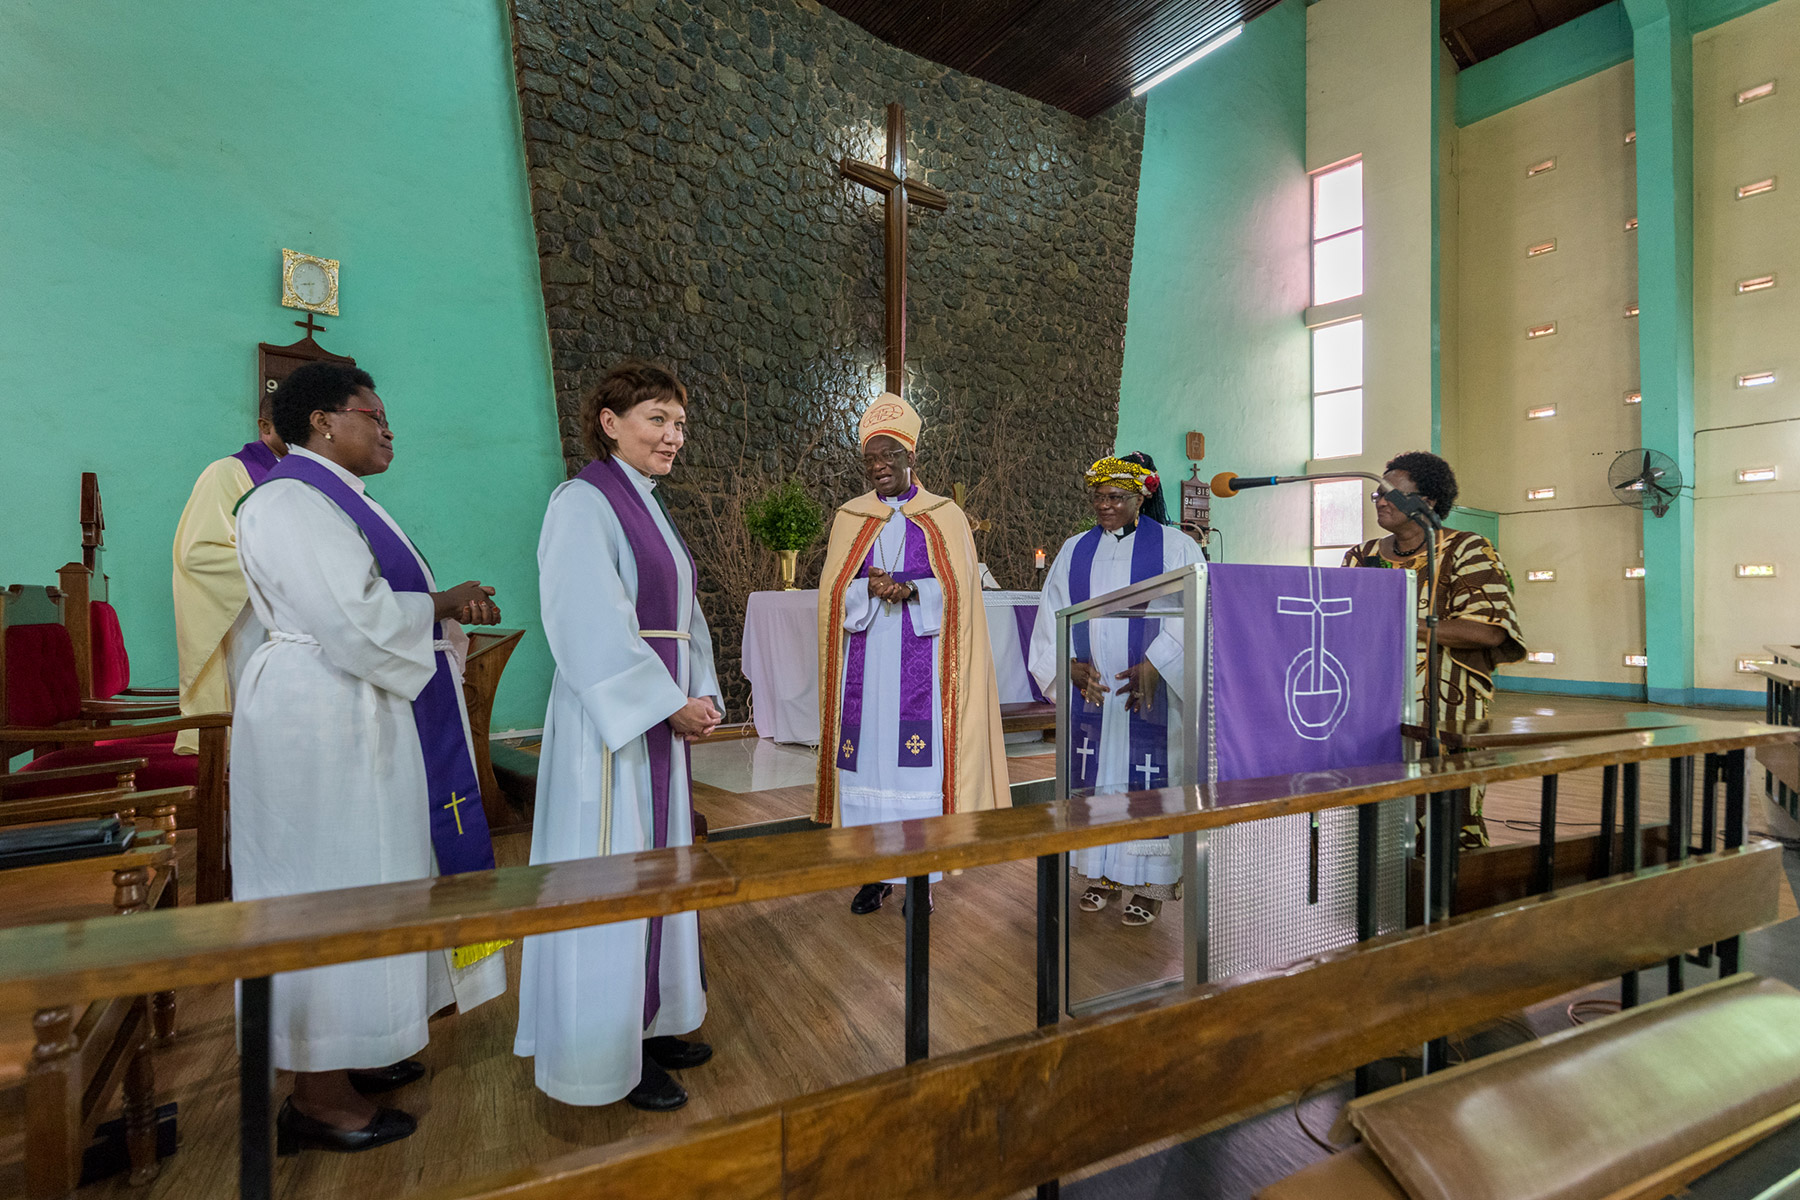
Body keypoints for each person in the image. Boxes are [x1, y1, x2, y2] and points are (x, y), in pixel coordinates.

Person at [232, 361, 508, 1154]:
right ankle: (315, 1094)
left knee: (379, 878)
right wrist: (444, 603)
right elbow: (350, 618)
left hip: (360, 714)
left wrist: (438, 618)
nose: (388, 430)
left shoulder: (343, 500)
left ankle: (353, 1052)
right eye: (373, 415)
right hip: (321, 725)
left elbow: (374, 612)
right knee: (327, 891)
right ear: (322, 420)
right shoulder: (290, 499)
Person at [514, 362, 723, 1112]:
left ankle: (657, 1014)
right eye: (657, 420)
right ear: (609, 421)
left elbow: (684, 617)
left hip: (657, 716)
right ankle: (605, 1050)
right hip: (612, 732)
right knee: (612, 869)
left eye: (680, 424)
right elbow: (584, 620)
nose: (674, 437)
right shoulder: (582, 502)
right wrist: (667, 704)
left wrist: (700, 691)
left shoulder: (647, 503)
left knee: (658, 870)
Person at [815, 392, 1009, 914]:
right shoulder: (849, 517)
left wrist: (916, 590)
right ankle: (872, 873)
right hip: (866, 664)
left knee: (916, 769)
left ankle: (919, 878)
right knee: (867, 767)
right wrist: (865, 590)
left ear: (910, 458)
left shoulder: (945, 517)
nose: (879, 467)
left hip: (923, 671)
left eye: (888, 457)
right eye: (870, 459)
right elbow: (833, 595)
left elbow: (963, 595)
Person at [1029, 453, 1206, 927]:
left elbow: (1196, 611)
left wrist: (1157, 664)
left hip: (1147, 694)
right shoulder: (1074, 549)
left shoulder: (1175, 547)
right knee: (1097, 780)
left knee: (1145, 780)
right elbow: (1053, 613)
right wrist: (1067, 664)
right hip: (1095, 694)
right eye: (1099, 497)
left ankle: (1148, 887)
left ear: (1141, 497)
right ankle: (1100, 873)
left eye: (1117, 498)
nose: (1105, 506)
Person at [1342, 450, 1526, 846]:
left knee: (1446, 818)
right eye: (1377, 494)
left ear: (1427, 502)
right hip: (1371, 707)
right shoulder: (1361, 556)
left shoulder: (1467, 549)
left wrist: (1401, 625)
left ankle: (1452, 895)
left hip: (1445, 710)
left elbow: (1489, 631)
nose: (1381, 501)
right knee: (1375, 820)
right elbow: (1340, 625)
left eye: (1392, 493)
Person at [169, 390, 287, 753]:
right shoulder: (227, 473)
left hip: (298, 623)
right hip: (249, 622)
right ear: (264, 426)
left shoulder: (307, 478)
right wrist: (289, 567)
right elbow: (199, 555)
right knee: (257, 741)